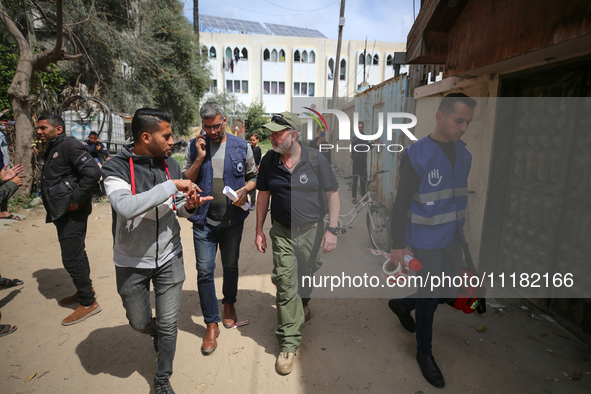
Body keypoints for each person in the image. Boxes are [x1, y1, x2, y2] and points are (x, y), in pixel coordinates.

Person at [102, 108, 210, 394]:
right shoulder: (115, 167)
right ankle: (154, 332)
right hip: (131, 260)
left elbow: (176, 208)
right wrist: (170, 186)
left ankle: (162, 380)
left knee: (169, 323)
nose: (172, 140)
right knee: (138, 322)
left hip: (169, 257)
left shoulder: (171, 165)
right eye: (167, 135)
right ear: (146, 136)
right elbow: (125, 207)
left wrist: (189, 206)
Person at [387, 93, 476, 388]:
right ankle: (424, 353)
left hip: (453, 239)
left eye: (467, 122)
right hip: (425, 241)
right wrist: (398, 243)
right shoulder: (417, 155)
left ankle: (402, 306)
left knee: (449, 291)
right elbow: (400, 205)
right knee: (429, 297)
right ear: (440, 116)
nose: (463, 128)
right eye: (458, 120)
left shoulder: (465, 155)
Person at [255, 112, 340, 375]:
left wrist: (332, 230)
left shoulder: (316, 159)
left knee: (306, 273)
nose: (272, 138)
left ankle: (304, 304)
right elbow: (263, 196)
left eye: (277, 133)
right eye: (270, 133)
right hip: (282, 233)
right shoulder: (269, 161)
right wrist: (259, 229)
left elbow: (332, 195)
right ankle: (289, 343)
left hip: (312, 233)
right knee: (285, 282)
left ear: (294, 134)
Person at [181, 102, 257, 355]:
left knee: (231, 265)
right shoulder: (195, 147)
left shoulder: (241, 146)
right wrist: (200, 157)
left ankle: (229, 304)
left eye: (216, 126)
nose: (213, 132)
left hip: (232, 220)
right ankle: (210, 323)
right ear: (202, 125)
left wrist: (246, 191)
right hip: (203, 221)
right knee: (204, 271)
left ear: (224, 121)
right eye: (207, 127)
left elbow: (253, 177)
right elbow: (186, 181)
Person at [37, 114, 102, 326]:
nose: (39, 131)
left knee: (71, 257)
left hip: (72, 211)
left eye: (43, 128)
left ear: (58, 129)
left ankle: (88, 302)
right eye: (38, 128)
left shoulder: (69, 145)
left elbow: (92, 172)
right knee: (76, 253)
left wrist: (75, 200)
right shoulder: (54, 146)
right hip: (62, 211)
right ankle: (85, 288)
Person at [351, 121, 367, 204]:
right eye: (359, 127)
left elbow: (366, 147)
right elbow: (361, 147)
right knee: (355, 179)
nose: (360, 128)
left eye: (361, 127)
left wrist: (374, 144)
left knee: (363, 179)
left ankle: (363, 195)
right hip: (356, 160)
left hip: (363, 160)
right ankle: (354, 197)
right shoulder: (355, 137)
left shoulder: (364, 137)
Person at [248, 133, 262, 210]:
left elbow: (256, 161)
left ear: (257, 140)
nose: (252, 141)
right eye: (251, 140)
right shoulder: (249, 148)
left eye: (253, 140)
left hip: (253, 171)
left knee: (252, 188)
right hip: (247, 169)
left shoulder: (257, 150)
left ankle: (253, 204)